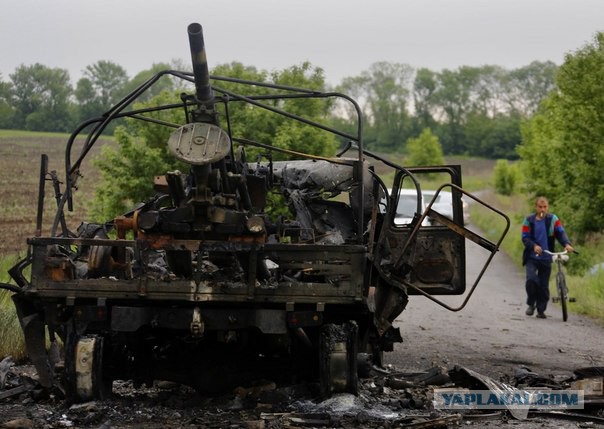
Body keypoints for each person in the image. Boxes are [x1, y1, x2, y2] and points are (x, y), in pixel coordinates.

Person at [521, 196, 574, 319]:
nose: (542, 209)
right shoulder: (529, 220)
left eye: (545, 207)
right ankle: (531, 303)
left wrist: (567, 244)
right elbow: (525, 237)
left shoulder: (552, 219)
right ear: (536, 207)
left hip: (546, 257)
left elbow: (560, 232)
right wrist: (534, 246)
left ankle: (541, 310)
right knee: (532, 280)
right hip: (532, 257)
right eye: (540, 207)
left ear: (548, 207)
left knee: (543, 285)